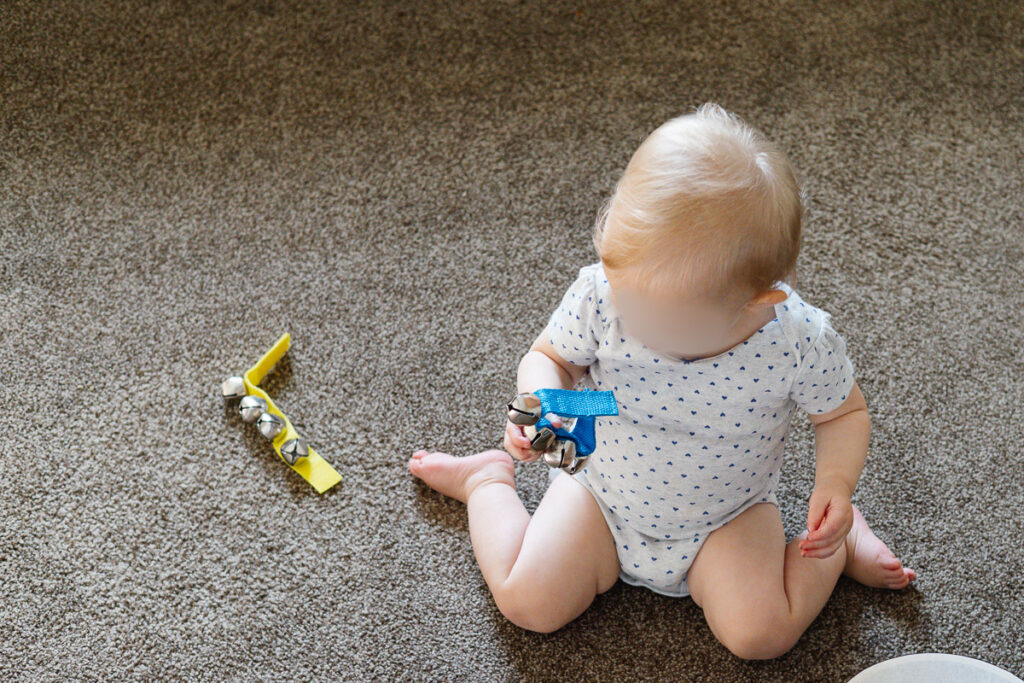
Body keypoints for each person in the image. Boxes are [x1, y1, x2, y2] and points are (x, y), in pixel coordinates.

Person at [407, 102, 917, 659]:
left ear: (758, 301)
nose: (634, 322)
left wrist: (835, 490)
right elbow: (550, 356)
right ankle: (487, 482)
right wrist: (538, 401)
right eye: (627, 299)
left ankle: (838, 547)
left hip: (729, 515)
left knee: (761, 635)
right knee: (528, 601)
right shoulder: (605, 291)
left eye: (661, 317)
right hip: (599, 490)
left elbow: (842, 414)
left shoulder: (797, 339)